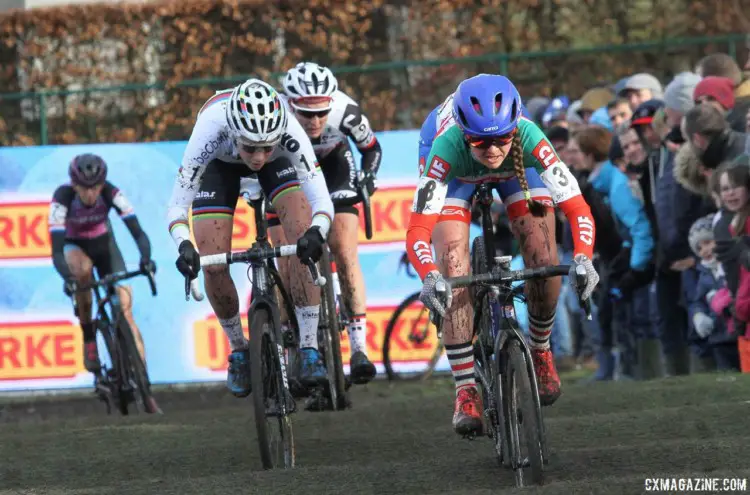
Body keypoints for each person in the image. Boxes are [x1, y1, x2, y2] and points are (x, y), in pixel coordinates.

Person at [406, 74, 599, 436]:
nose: (492, 150)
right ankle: (465, 387)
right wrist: (431, 276)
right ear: (465, 133)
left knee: (543, 256)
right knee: (452, 263)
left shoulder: (528, 136)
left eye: (501, 139)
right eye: (480, 141)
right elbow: (417, 230)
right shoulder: (445, 145)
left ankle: (541, 350)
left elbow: (577, 208)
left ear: (514, 129)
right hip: (459, 174)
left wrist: (584, 258)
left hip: (519, 169)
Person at [166, 79, 335, 397]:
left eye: (265, 147)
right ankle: (239, 349)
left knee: (301, 241)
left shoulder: (287, 130)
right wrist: (184, 245)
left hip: (280, 167)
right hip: (220, 167)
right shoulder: (210, 129)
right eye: (250, 147)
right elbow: (177, 206)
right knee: (212, 263)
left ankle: (310, 347)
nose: (258, 157)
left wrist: (316, 233)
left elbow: (321, 200)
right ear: (233, 133)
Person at [258, 62, 382, 383]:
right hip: (288, 170)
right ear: (289, 103)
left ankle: (358, 348)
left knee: (344, 250)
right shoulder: (275, 114)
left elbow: (372, 149)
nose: (315, 121)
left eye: (321, 113)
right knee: (287, 257)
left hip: (332, 166)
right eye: (306, 113)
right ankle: (291, 346)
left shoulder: (346, 111)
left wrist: (369, 177)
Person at [49, 154, 159, 412]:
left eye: (96, 187)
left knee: (125, 310)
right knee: (82, 273)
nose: (91, 193)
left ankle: (145, 387)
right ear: (74, 185)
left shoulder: (112, 193)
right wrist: (69, 279)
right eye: (85, 188)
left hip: (105, 246)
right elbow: (56, 251)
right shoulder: (62, 198)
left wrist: (145, 258)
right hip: (76, 247)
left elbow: (138, 232)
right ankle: (89, 337)